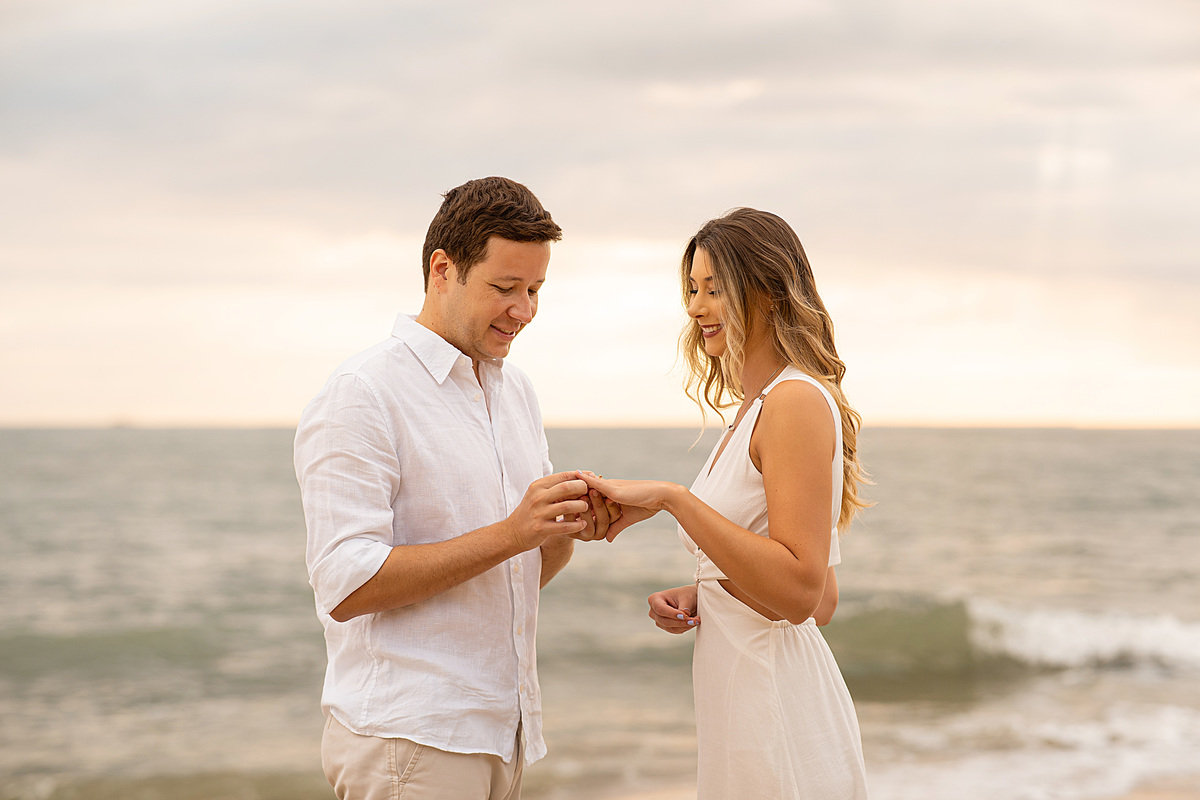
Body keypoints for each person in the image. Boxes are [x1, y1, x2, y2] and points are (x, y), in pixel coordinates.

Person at [294, 176, 617, 800]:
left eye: (534, 290)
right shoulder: (361, 394)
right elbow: (346, 584)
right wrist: (513, 531)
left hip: (502, 731)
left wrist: (565, 528)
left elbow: (511, 572)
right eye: (504, 288)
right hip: (409, 740)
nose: (523, 310)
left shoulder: (514, 390)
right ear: (443, 269)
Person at [577, 208, 870, 799]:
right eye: (691, 289)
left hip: (774, 707)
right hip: (746, 700)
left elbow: (802, 594)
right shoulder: (755, 409)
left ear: (765, 292)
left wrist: (672, 499)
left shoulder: (792, 403)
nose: (695, 307)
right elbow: (822, 599)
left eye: (714, 288)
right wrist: (706, 593)